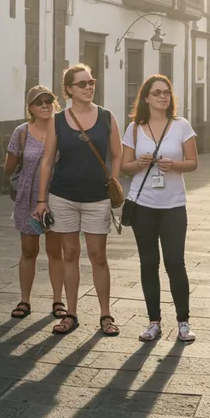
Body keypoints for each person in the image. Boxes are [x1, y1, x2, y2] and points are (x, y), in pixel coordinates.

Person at [32, 64, 123, 337]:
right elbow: (47, 161)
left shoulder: (107, 117)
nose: (88, 87)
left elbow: (117, 154)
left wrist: (113, 184)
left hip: (97, 198)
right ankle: (71, 313)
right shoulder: (58, 120)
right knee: (69, 254)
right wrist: (41, 200)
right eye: (81, 83)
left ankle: (106, 315)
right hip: (63, 196)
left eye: (91, 82)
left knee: (98, 256)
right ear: (69, 89)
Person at [119, 75, 199, 343]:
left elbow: (193, 162)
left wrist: (173, 165)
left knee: (175, 263)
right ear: (146, 98)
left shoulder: (181, 125)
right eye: (157, 93)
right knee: (149, 263)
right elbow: (124, 166)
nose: (163, 97)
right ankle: (153, 322)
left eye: (167, 92)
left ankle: (184, 322)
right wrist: (140, 163)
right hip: (144, 206)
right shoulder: (133, 128)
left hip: (174, 206)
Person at [4, 86, 66, 320]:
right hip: (27, 198)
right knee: (29, 250)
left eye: (48, 100)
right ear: (30, 108)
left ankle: (58, 301)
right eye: (38, 102)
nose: (44, 105)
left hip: (57, 197)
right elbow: (10, 166)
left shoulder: (62, 129)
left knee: (55, 251)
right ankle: (24, 301)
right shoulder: (21, 132)